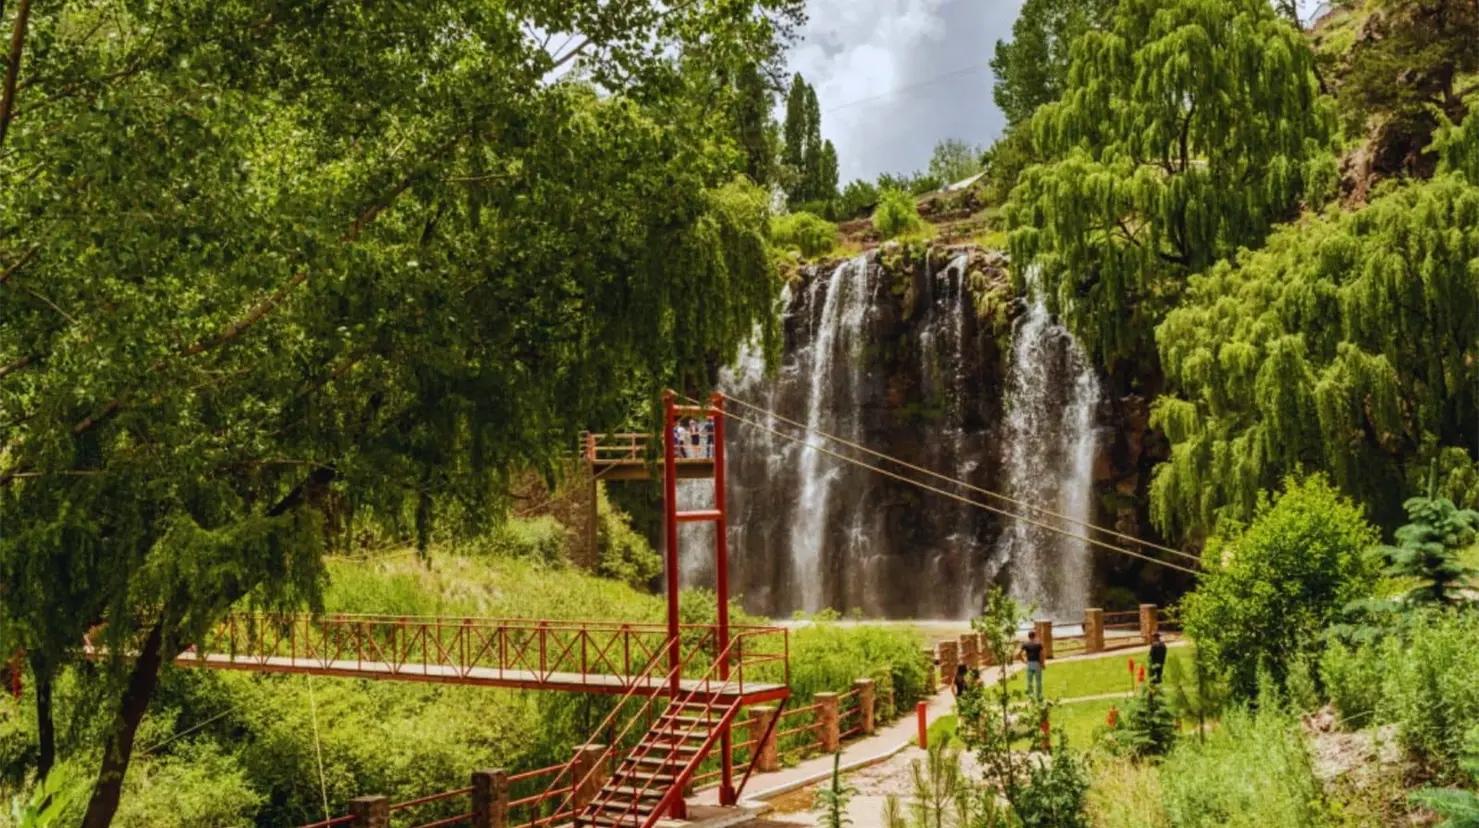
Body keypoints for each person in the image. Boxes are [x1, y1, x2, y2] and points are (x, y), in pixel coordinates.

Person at [1020, 631, 1045, 700]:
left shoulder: (1025, 644)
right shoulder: (1039, 644)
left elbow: (1018, 654)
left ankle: (1031, 696)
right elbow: (1042, 655)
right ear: (1035, 636)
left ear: (1028, 636)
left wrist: (1024, 661)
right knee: (1038, 681)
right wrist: (1042, 664)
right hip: (1037, 664)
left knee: (1029, 681)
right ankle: (1039, 696)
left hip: (1029, 664)